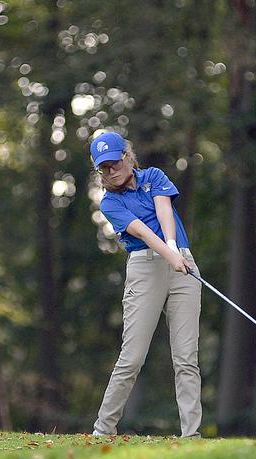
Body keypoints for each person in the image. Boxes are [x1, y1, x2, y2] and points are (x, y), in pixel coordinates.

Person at [89, 131, 203, 438]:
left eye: (114, 163)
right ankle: (103, 429)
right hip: (145, 267)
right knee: (133, 356)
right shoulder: (110, 202)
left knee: (186, 357)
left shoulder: (154, 176)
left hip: (183, 263)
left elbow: (165, 211)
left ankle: (191, 435)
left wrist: (175, 250)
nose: (110, 171)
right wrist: (169, 254)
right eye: (104, 168)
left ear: (127, 156)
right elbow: (142, 233)